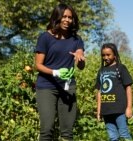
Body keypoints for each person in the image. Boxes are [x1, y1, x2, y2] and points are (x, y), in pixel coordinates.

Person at [34, 3, 85, 141]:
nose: (67, 20)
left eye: (70, 17)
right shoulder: (45, 37)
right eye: (64, 16)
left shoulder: (76, 39)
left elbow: (81, 65)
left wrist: (80, 58)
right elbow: (38, 65)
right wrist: (55, 72)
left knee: (67, 132)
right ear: (57, 17)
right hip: (46, 86)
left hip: (68, 87)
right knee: (47, 129)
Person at [95, 43, 133, 141]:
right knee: (112, 137)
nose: (105, 57)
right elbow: (99, 91)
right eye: (103, 55)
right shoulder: (101, 71)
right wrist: (99, 111)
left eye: (108, 54)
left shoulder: (121, 68)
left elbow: (128, 88)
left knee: (124, 135)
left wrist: (129, 107)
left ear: (114, 55)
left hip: (120, 109)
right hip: (106, 111)